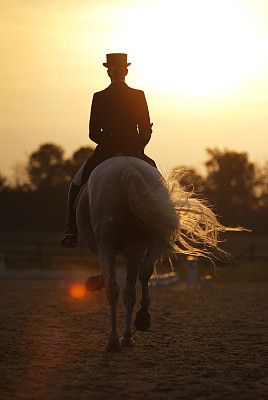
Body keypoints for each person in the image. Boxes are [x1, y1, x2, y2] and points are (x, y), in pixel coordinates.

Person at [61, 53, 156, 249]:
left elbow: (93, 132)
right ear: (126, 71)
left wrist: (111, 143)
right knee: (157, 179)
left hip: (106, 152)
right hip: (134, 150)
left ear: (108, 73)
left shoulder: (99, 96)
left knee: (77, 184)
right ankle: (169, 230)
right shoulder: (138, 95)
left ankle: (71, 231)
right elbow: (146, 130)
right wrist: (136, 147)